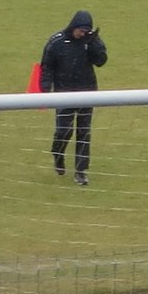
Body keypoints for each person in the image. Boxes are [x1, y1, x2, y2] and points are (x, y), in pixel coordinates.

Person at [40, 11, 107, 186]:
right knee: (63, 131)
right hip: (64, 95)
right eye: (81, 31)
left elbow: (101, 61)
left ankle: (81, 171)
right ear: (73, 27)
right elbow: (46, 66)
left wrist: (94, 44)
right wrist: (45, 89)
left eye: (86, 31)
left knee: (84, 132)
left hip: (87, 92)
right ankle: (58, 154)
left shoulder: (90, 41)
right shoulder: (57, 42)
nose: (82, 34)